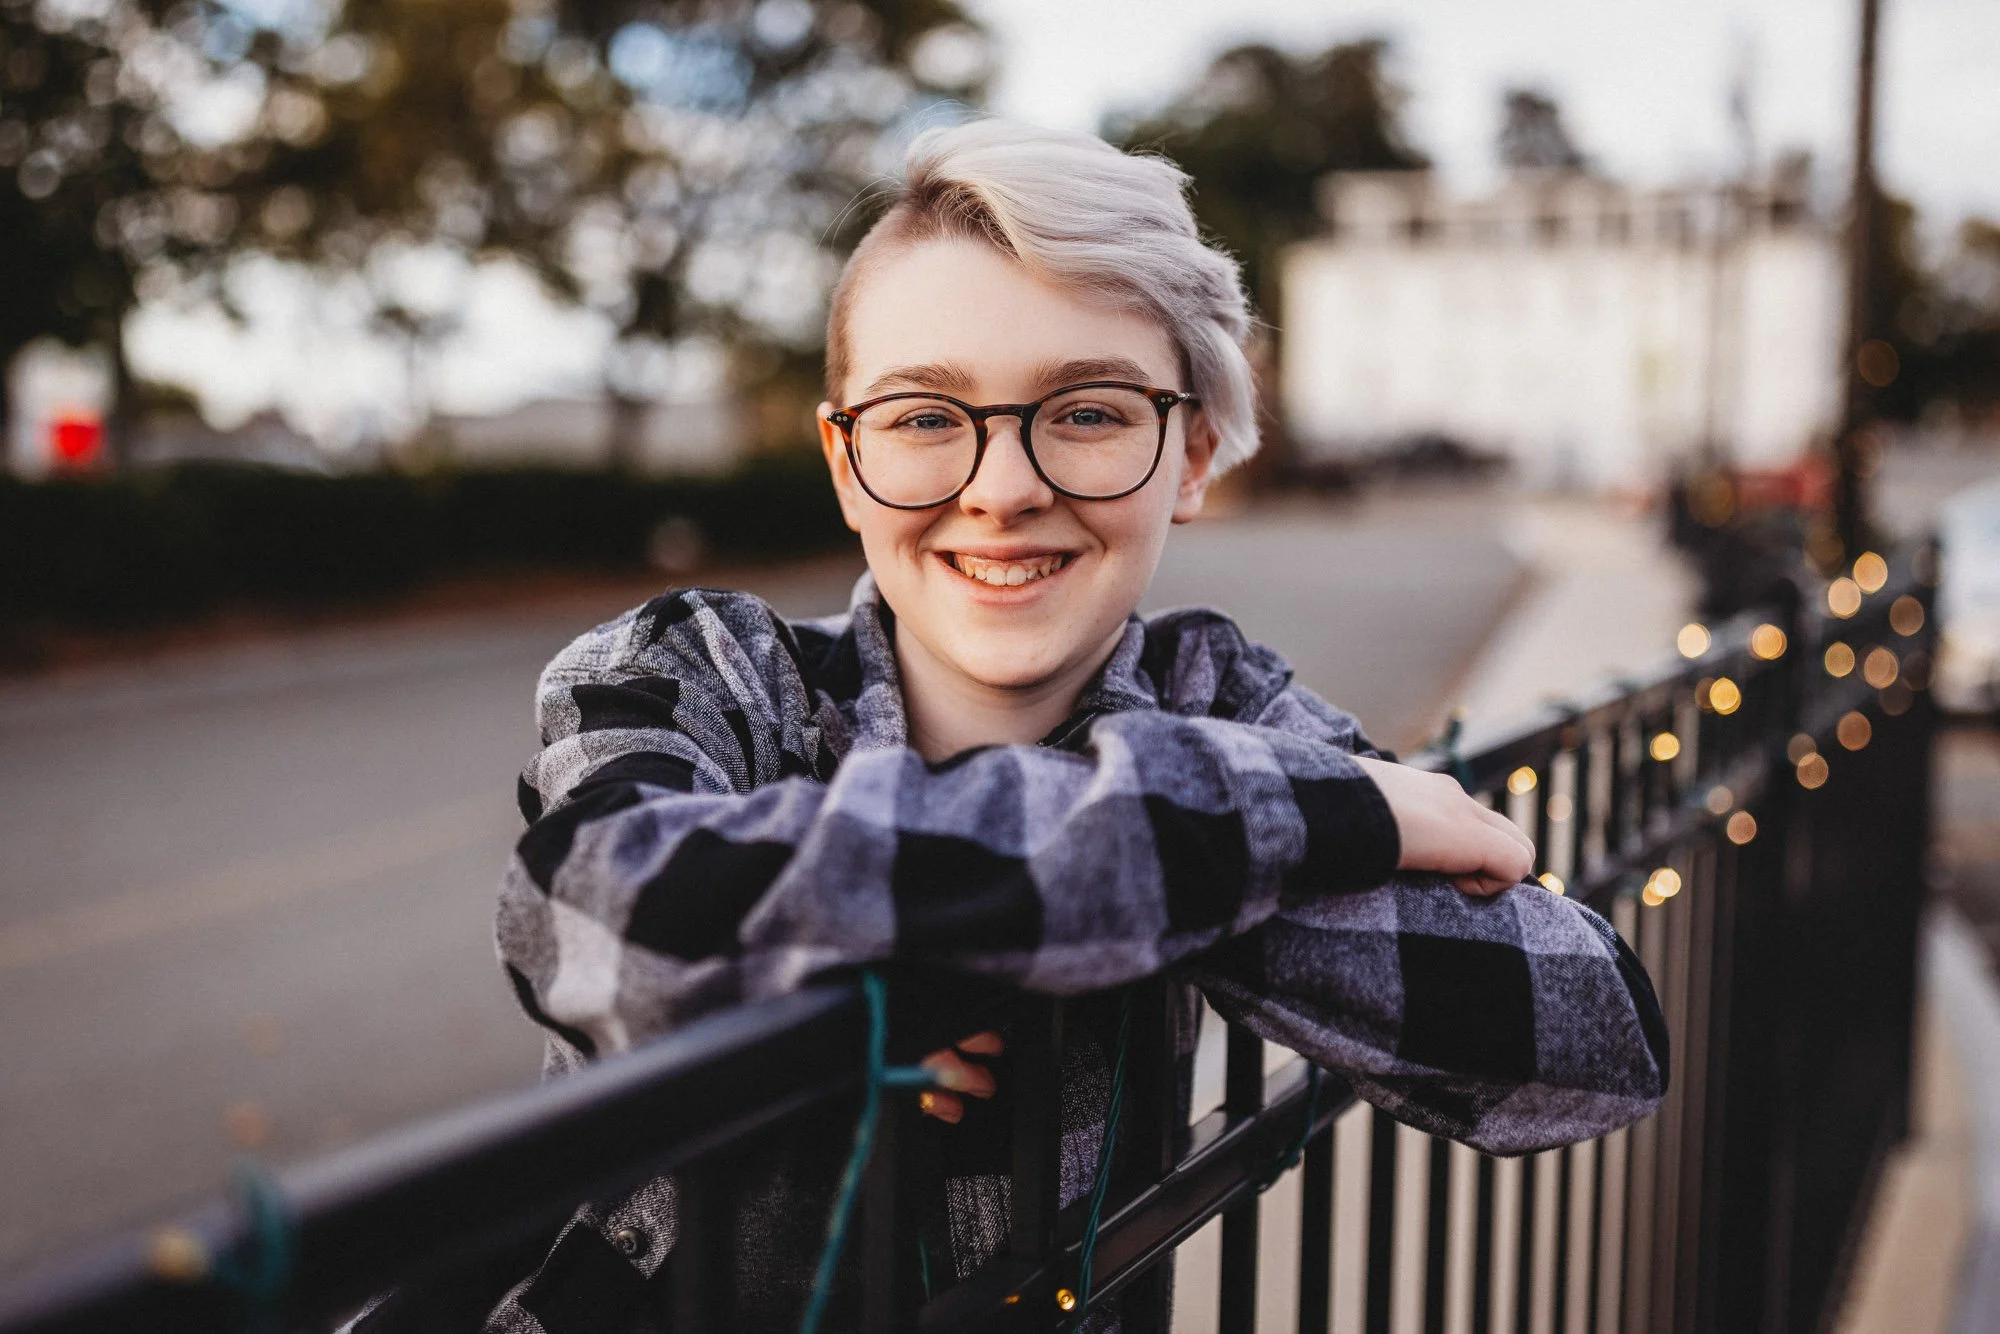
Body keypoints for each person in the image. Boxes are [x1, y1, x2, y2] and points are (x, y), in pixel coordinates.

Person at [353, 116, 1667, 1334]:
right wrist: (1284, 828)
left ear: (1194, 453)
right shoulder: (688, 671)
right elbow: (604, 924)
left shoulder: (1221, 701)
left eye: (1089, 412)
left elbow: (1590, 1033)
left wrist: (935, 919)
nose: (1005, 487)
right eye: (926, 418)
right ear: (844, 461)